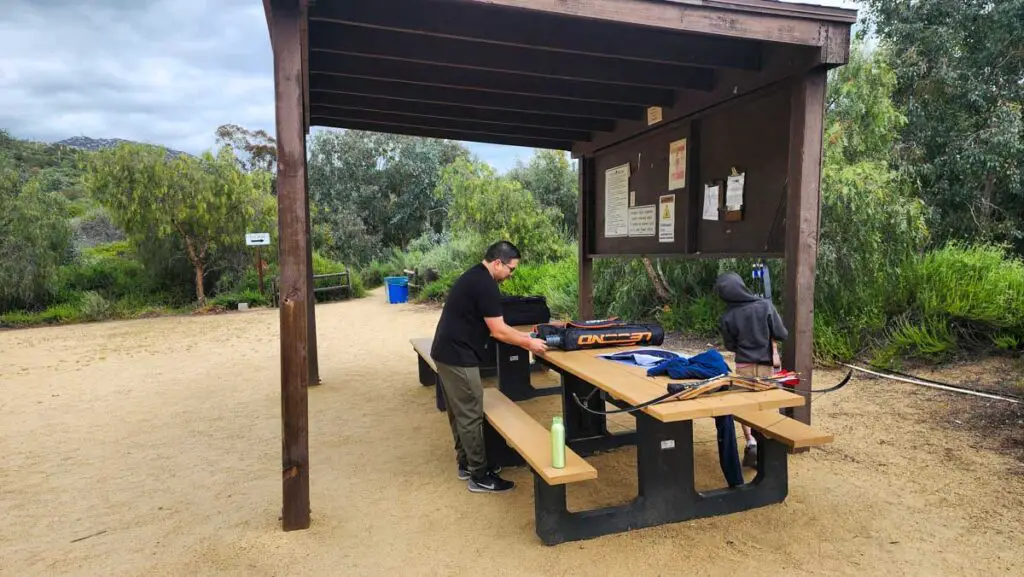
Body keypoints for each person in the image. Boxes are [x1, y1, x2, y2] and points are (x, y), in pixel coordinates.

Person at [430, 240, 549, 493]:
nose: (510, 275)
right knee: (471, 412)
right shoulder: (485, 285)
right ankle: (480, 475)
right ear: (498, 262)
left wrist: (524, 338)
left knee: (459, 412)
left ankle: (466, 463)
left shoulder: (476, 277)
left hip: (446, 351)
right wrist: (529, 343)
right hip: (457, 356)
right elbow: (499, 331)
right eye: (511, 269)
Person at [713, 271, 789, 468]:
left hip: (743, 366)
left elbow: (730, 346)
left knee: (744, 407)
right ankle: (769, 447)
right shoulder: (765, 306)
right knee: (767, 405)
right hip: (766, 366)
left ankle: (751, 441)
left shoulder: (727, 316)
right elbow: (782, 334)